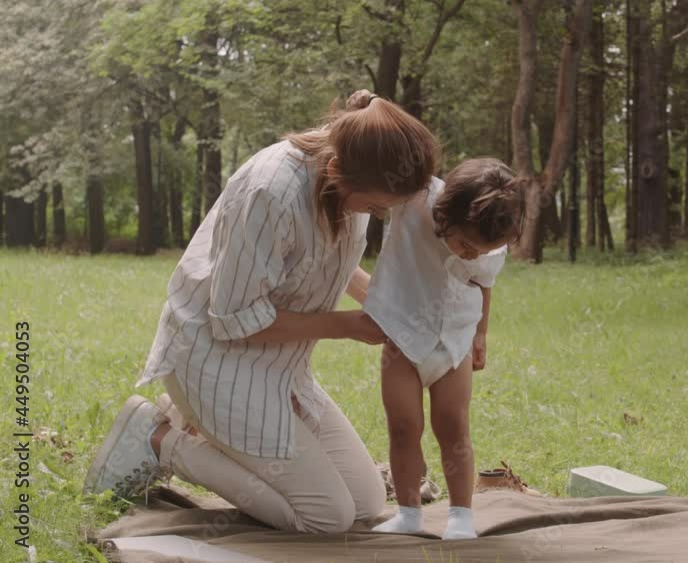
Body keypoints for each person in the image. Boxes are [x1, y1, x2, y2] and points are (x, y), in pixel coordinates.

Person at [84, 90, 441, 535]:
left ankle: (190, 424)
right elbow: (233, 319)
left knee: (366, 504)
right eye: (374, 207)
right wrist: (347, 326)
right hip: (213, 361)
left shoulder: (351, 166)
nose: (376, 214)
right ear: (336, 173)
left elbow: (336, 263)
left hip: (280, 365)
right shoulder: (272, 191)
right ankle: (162, 442)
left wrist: (401, 312)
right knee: (326, 518)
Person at [362, 157, 526, 539]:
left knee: (453, 427)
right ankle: (408, 512)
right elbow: (390, 148)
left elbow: (485, 285)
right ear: (446, 214)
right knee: (403, 427)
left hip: (454, 340)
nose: (471, 255)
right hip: (402, 337)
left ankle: (460, 516)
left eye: (481, 251)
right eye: (466, 245)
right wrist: (367, 105)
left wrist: (481, 335)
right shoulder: (414, 200)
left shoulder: (486, 247)